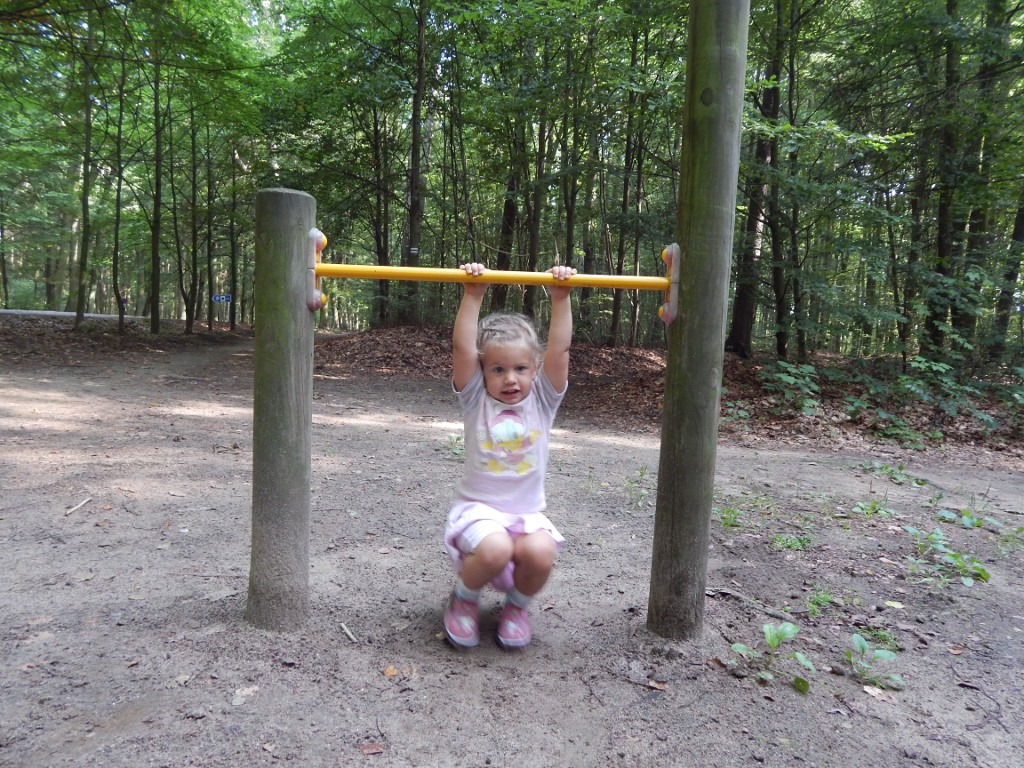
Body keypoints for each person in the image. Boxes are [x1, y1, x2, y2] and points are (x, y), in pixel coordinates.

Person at [443, 262, 576, 650]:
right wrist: (473, 294)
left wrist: (561, 298)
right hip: (478, 512)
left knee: (542, 552)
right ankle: (464, 599)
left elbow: (560, 349)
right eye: (498, 369)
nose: (510, 378)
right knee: (496, 546)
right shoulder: (475, 399)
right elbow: (462, 349)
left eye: (520, 368)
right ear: (483, 371)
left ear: (535, 369)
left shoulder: (543, 400)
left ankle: (516, 608)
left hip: (526, 515)